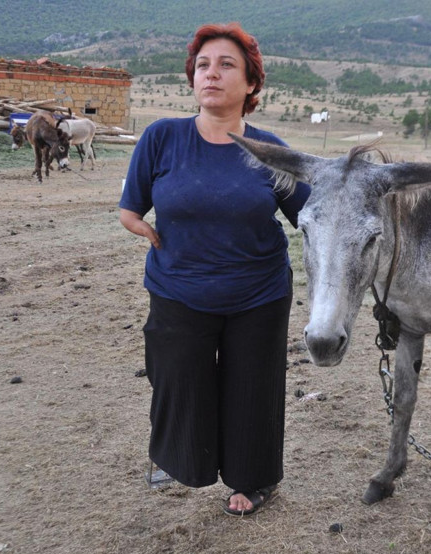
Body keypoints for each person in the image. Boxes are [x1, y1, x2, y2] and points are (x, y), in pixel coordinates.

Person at [119, 23, 310, 516]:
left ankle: (253, 478)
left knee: (252, 388)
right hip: (177, 288)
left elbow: (311, 215)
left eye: (227, 65)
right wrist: (140, 228)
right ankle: (182, 460)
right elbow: (130, 207)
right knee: (178, 380)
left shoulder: (271, 151)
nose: (211, 73)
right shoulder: (162, 137)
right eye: (203, 65)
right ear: (192, 78)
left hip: (259, 294)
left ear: (250, 83)